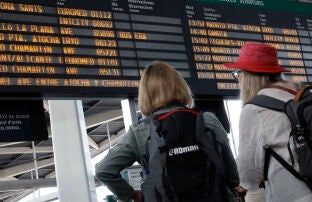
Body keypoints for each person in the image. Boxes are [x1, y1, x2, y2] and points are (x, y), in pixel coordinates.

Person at [95, 61, 239, 202]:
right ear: (180, 86)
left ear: (145, 95)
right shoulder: (208, 120)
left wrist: (131, 194)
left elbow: (104, 170)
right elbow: (232, 176)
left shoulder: (141, 132)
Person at [224, 42, 312, 202]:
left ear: (249, 76)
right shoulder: (301, 95)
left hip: (292, 196)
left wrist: (243, 184)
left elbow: (249, 173)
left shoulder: (254, 109)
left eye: (238, 73)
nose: (238, 79)